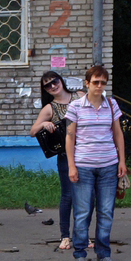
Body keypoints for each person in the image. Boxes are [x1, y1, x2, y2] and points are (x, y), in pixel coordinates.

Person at [65, 64, 128, 261]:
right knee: (83, 212)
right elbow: (70, 137)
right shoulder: (75, 106)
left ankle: (103, 253)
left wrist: (122, 161)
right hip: (83, 165)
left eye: (103, 82)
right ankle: (80, 253)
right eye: (95, 82)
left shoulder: (111, 104)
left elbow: (118, 133)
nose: (99, 86)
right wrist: (71, 166)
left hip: (108, 165)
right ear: (87, 83)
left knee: (106, 211)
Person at [30, 70, 78, 250]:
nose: (52, 86)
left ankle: (82, 235)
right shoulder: (50, 108)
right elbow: (33, 131)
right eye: (47, 85)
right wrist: (43, 124)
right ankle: (65, 236)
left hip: (86, 154)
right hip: (65, 156)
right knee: (68, 195)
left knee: (86, 197)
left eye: (54, 81)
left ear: (61, 80)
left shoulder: (79, 97)